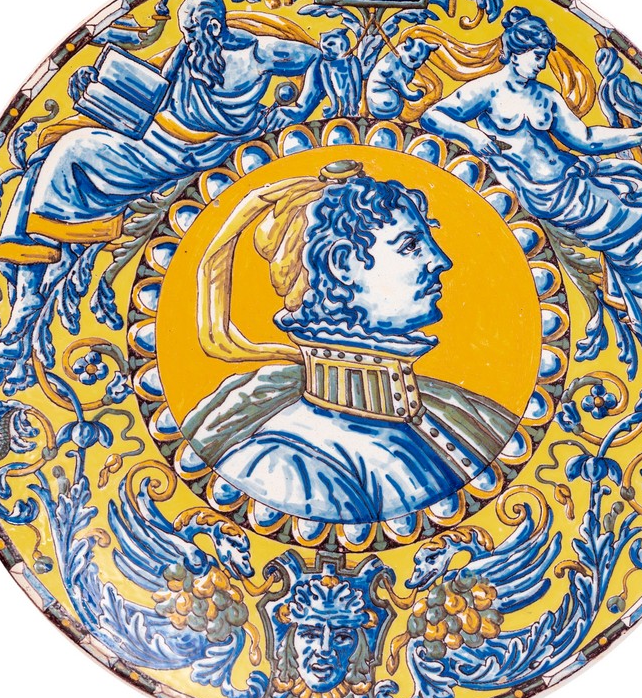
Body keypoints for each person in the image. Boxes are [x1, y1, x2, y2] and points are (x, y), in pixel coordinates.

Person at [0, 0, 324, 387]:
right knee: (44, 164)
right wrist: (95, 88)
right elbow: (152, 88)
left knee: (68, 154)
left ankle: (32, 286)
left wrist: (296, 109)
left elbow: (318, 58)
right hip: (150, 135)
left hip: (178, 151)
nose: (188, 39)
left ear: (213, 25)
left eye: (193, 31)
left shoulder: (258, 53)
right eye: (186, 32)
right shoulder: (191, 50)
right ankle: (29, 289)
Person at [181, 161, 520, 525]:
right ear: (342, 264)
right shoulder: (286, 466)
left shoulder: (454, 410)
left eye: (427, 240)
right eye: (410, 245)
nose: (441, 261)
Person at [421, 6, 642, 399]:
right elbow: (435, 116)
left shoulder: (546, 96)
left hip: (573, 178)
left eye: (544, 57)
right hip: (549, 195)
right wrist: (472, 137)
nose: (541, 64)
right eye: (536, 56)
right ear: (515, 52)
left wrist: (638, 135)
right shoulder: (488, 90)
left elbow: (586, 139)